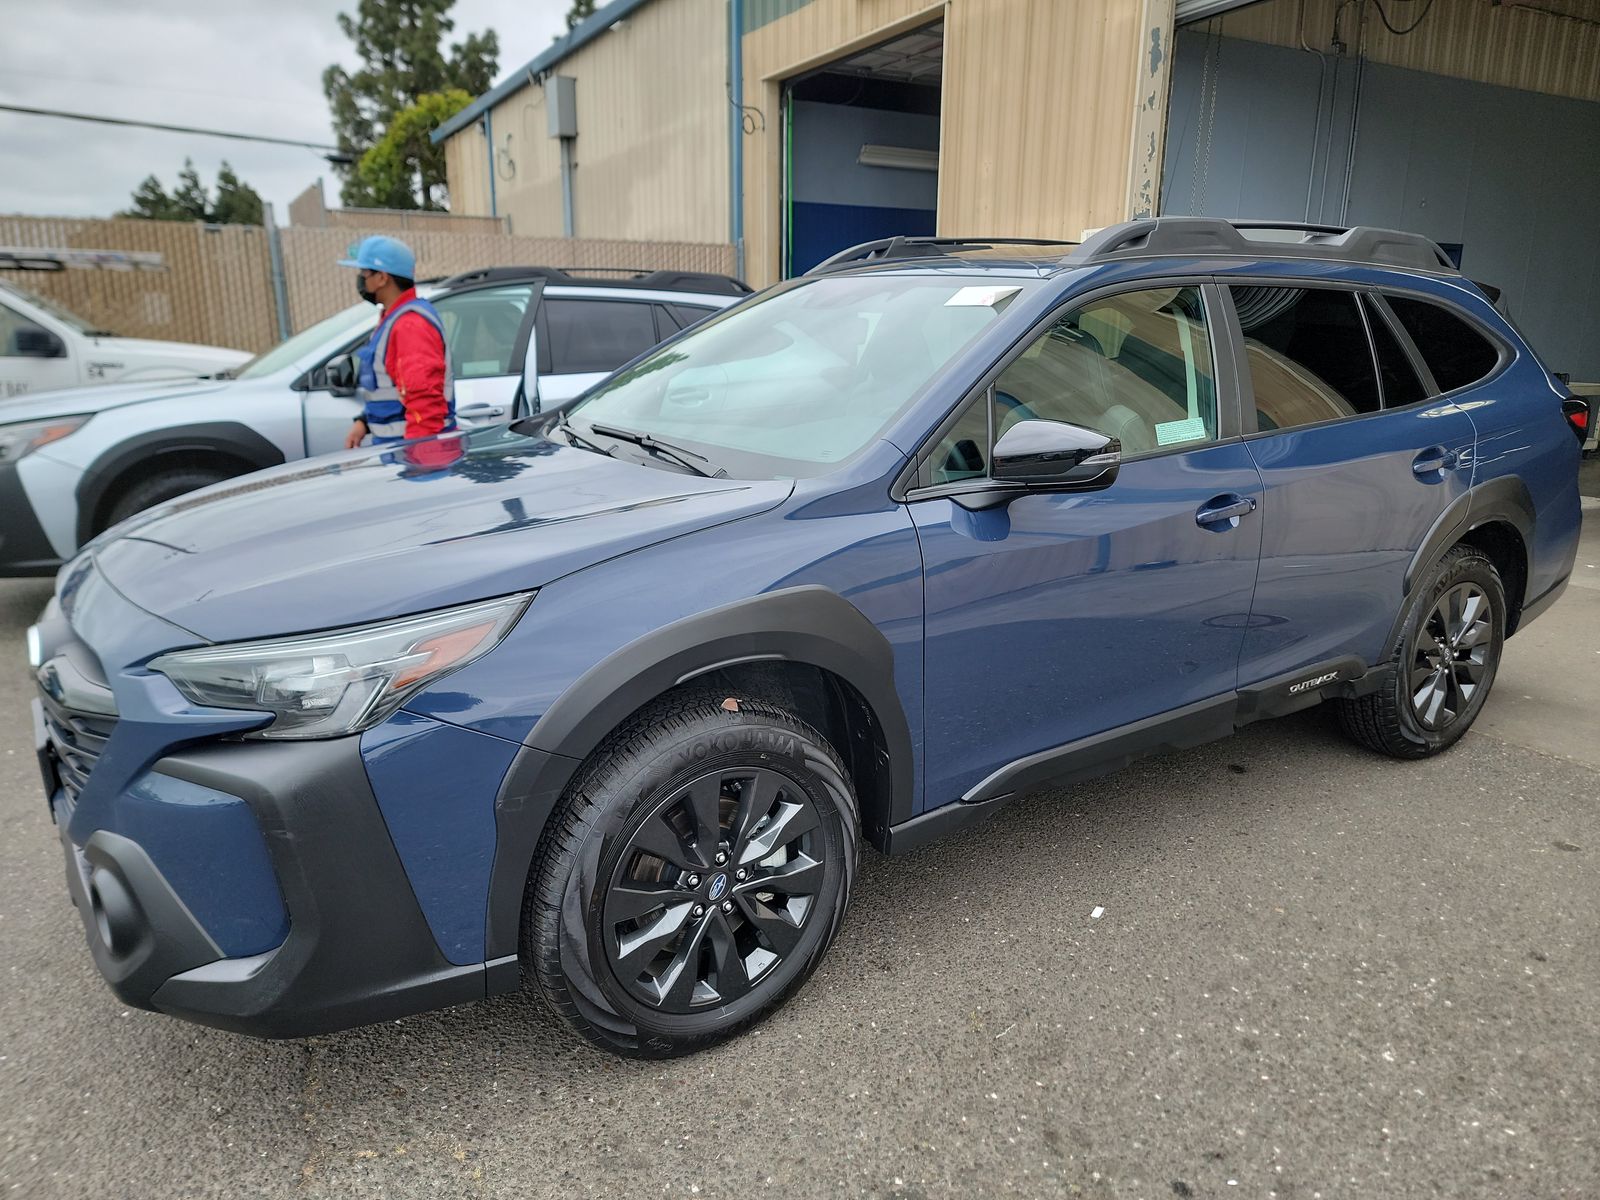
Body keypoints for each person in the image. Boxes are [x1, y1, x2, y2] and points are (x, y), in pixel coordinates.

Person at [339, 236, 454, 449]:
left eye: (364, 274)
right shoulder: (393, 319)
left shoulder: (410, 326)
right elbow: (393, 389)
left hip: (412, 457)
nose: (361, 280)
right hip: (398, 453)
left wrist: (420, 466)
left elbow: (425, 408)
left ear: (382, 278)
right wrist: (364, 422)